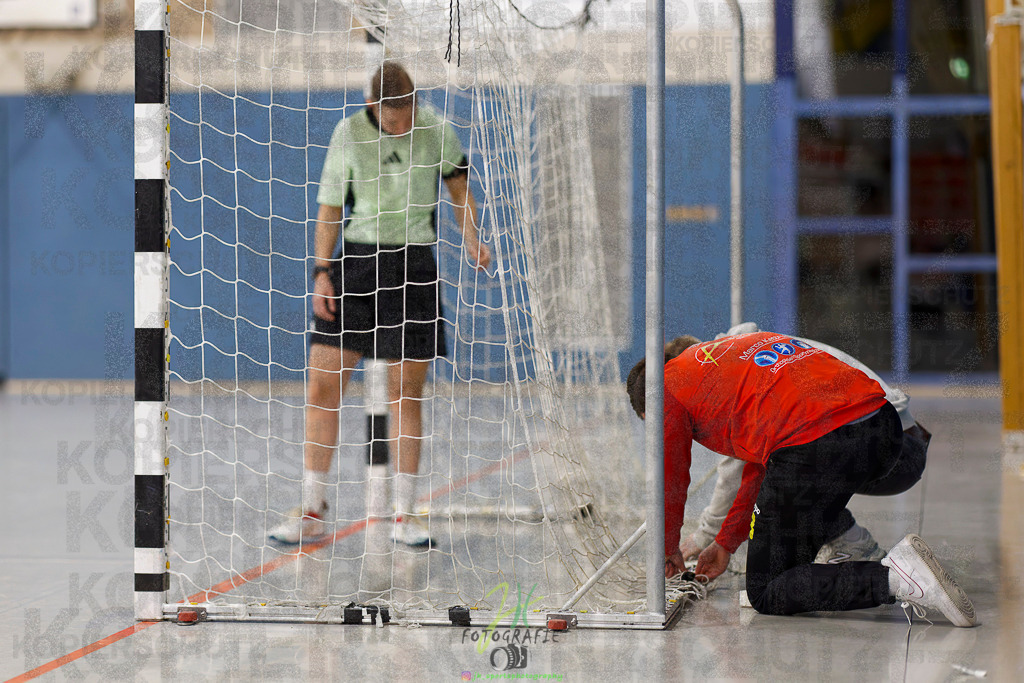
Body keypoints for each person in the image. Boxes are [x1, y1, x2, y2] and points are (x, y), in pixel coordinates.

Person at [269, 61, 492, 547]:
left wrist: (472, 238)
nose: (405, 121)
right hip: (356, 265)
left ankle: (404, 514)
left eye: (410, 109)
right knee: (323, 384)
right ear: (374, 107)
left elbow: (459, 190)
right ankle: (311, 507)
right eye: (395, 116)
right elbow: (330, 209)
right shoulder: (347, 134)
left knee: (405, 392)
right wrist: (321, 273)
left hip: (413, 268)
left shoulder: (435, 129)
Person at [627, 330, 976, 626]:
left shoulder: (665, 390)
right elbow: (762, 467)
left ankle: (897, 577)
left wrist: (668, 548)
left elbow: (671, 482)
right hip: (884, 430)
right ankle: (840, 552)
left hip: (822, 445)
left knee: (766, 590)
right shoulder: (728, 354)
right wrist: (725, 543)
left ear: (647, 411)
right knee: (790, 519)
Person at [674, 324, 932, 572]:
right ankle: (841, 544)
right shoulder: (745, 349)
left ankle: (857, 547)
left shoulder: (733, 377)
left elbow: (738, 471)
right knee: (790, 465)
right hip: (898, 437)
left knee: (784, 478)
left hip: (896, 453)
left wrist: (707, 537)